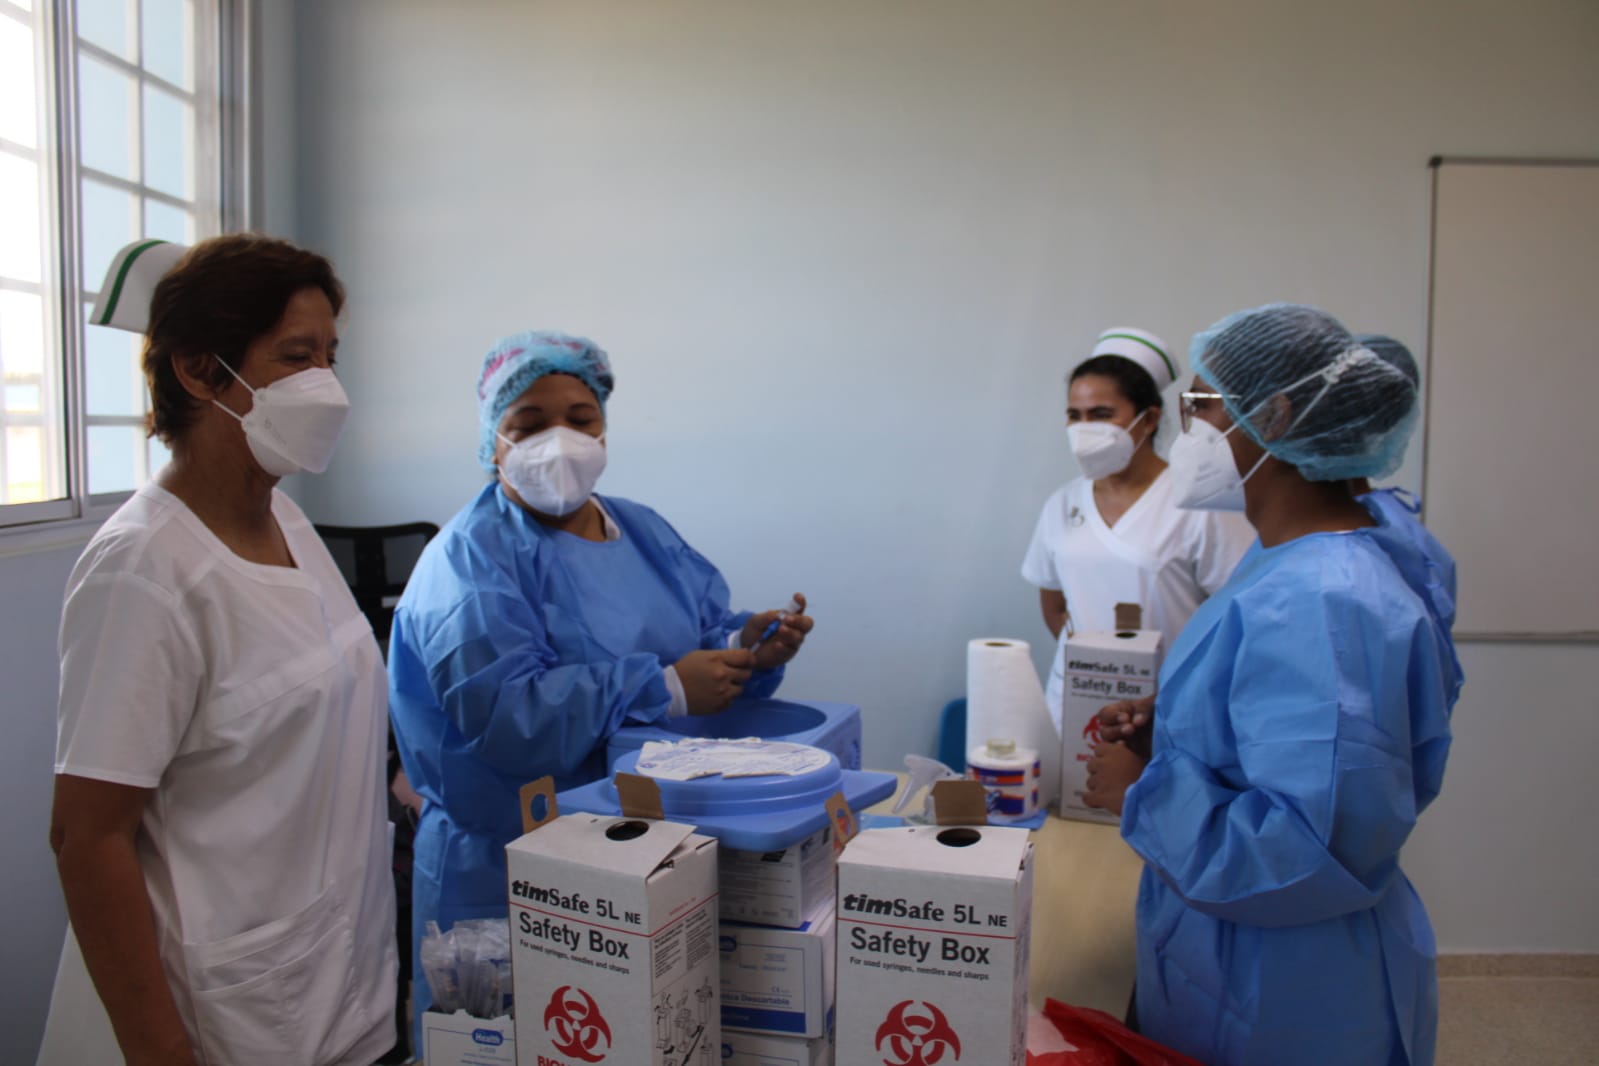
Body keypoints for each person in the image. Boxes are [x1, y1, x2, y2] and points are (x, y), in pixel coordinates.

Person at [388, 330, 813, 1028]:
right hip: (504, 866)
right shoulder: (469, 562)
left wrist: (745, 648)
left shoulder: (640, 531)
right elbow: (505, 719)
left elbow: (695, 633)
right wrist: (663, 687)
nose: (559, 439)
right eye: (529, 422)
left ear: (604, 427)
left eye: (579, 418)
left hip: (646, 850)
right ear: (492, 440)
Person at [50, 235, 397, 1065]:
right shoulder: (144, 572)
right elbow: (88, 840)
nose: (325, 384)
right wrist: (159, 1050)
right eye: (295, 357)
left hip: (346, 982)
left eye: (330, 357)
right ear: (199, 371)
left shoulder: (285, 519)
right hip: (233, 1019)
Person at [1083, 304, 1460, 1066]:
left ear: (1276, 414)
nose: (1187, 432)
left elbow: (1310, 849)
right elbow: (1279, 721)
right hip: (1238, 947)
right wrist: (1176, 725)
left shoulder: (1325, 600)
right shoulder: (1295, 552)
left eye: (1200, 405)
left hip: (1288, 985)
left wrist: (1143, 792)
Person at [1021, 327, 1254, 733]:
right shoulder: (1062, 503)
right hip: (1075, 700)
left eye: (1101, 414)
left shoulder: (1199, 505)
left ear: (1149, 419)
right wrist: (1102, 668)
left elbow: (1237, 614)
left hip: (1167, 706)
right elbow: (1054, 608)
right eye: (1074, 415)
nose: (1083, 428)